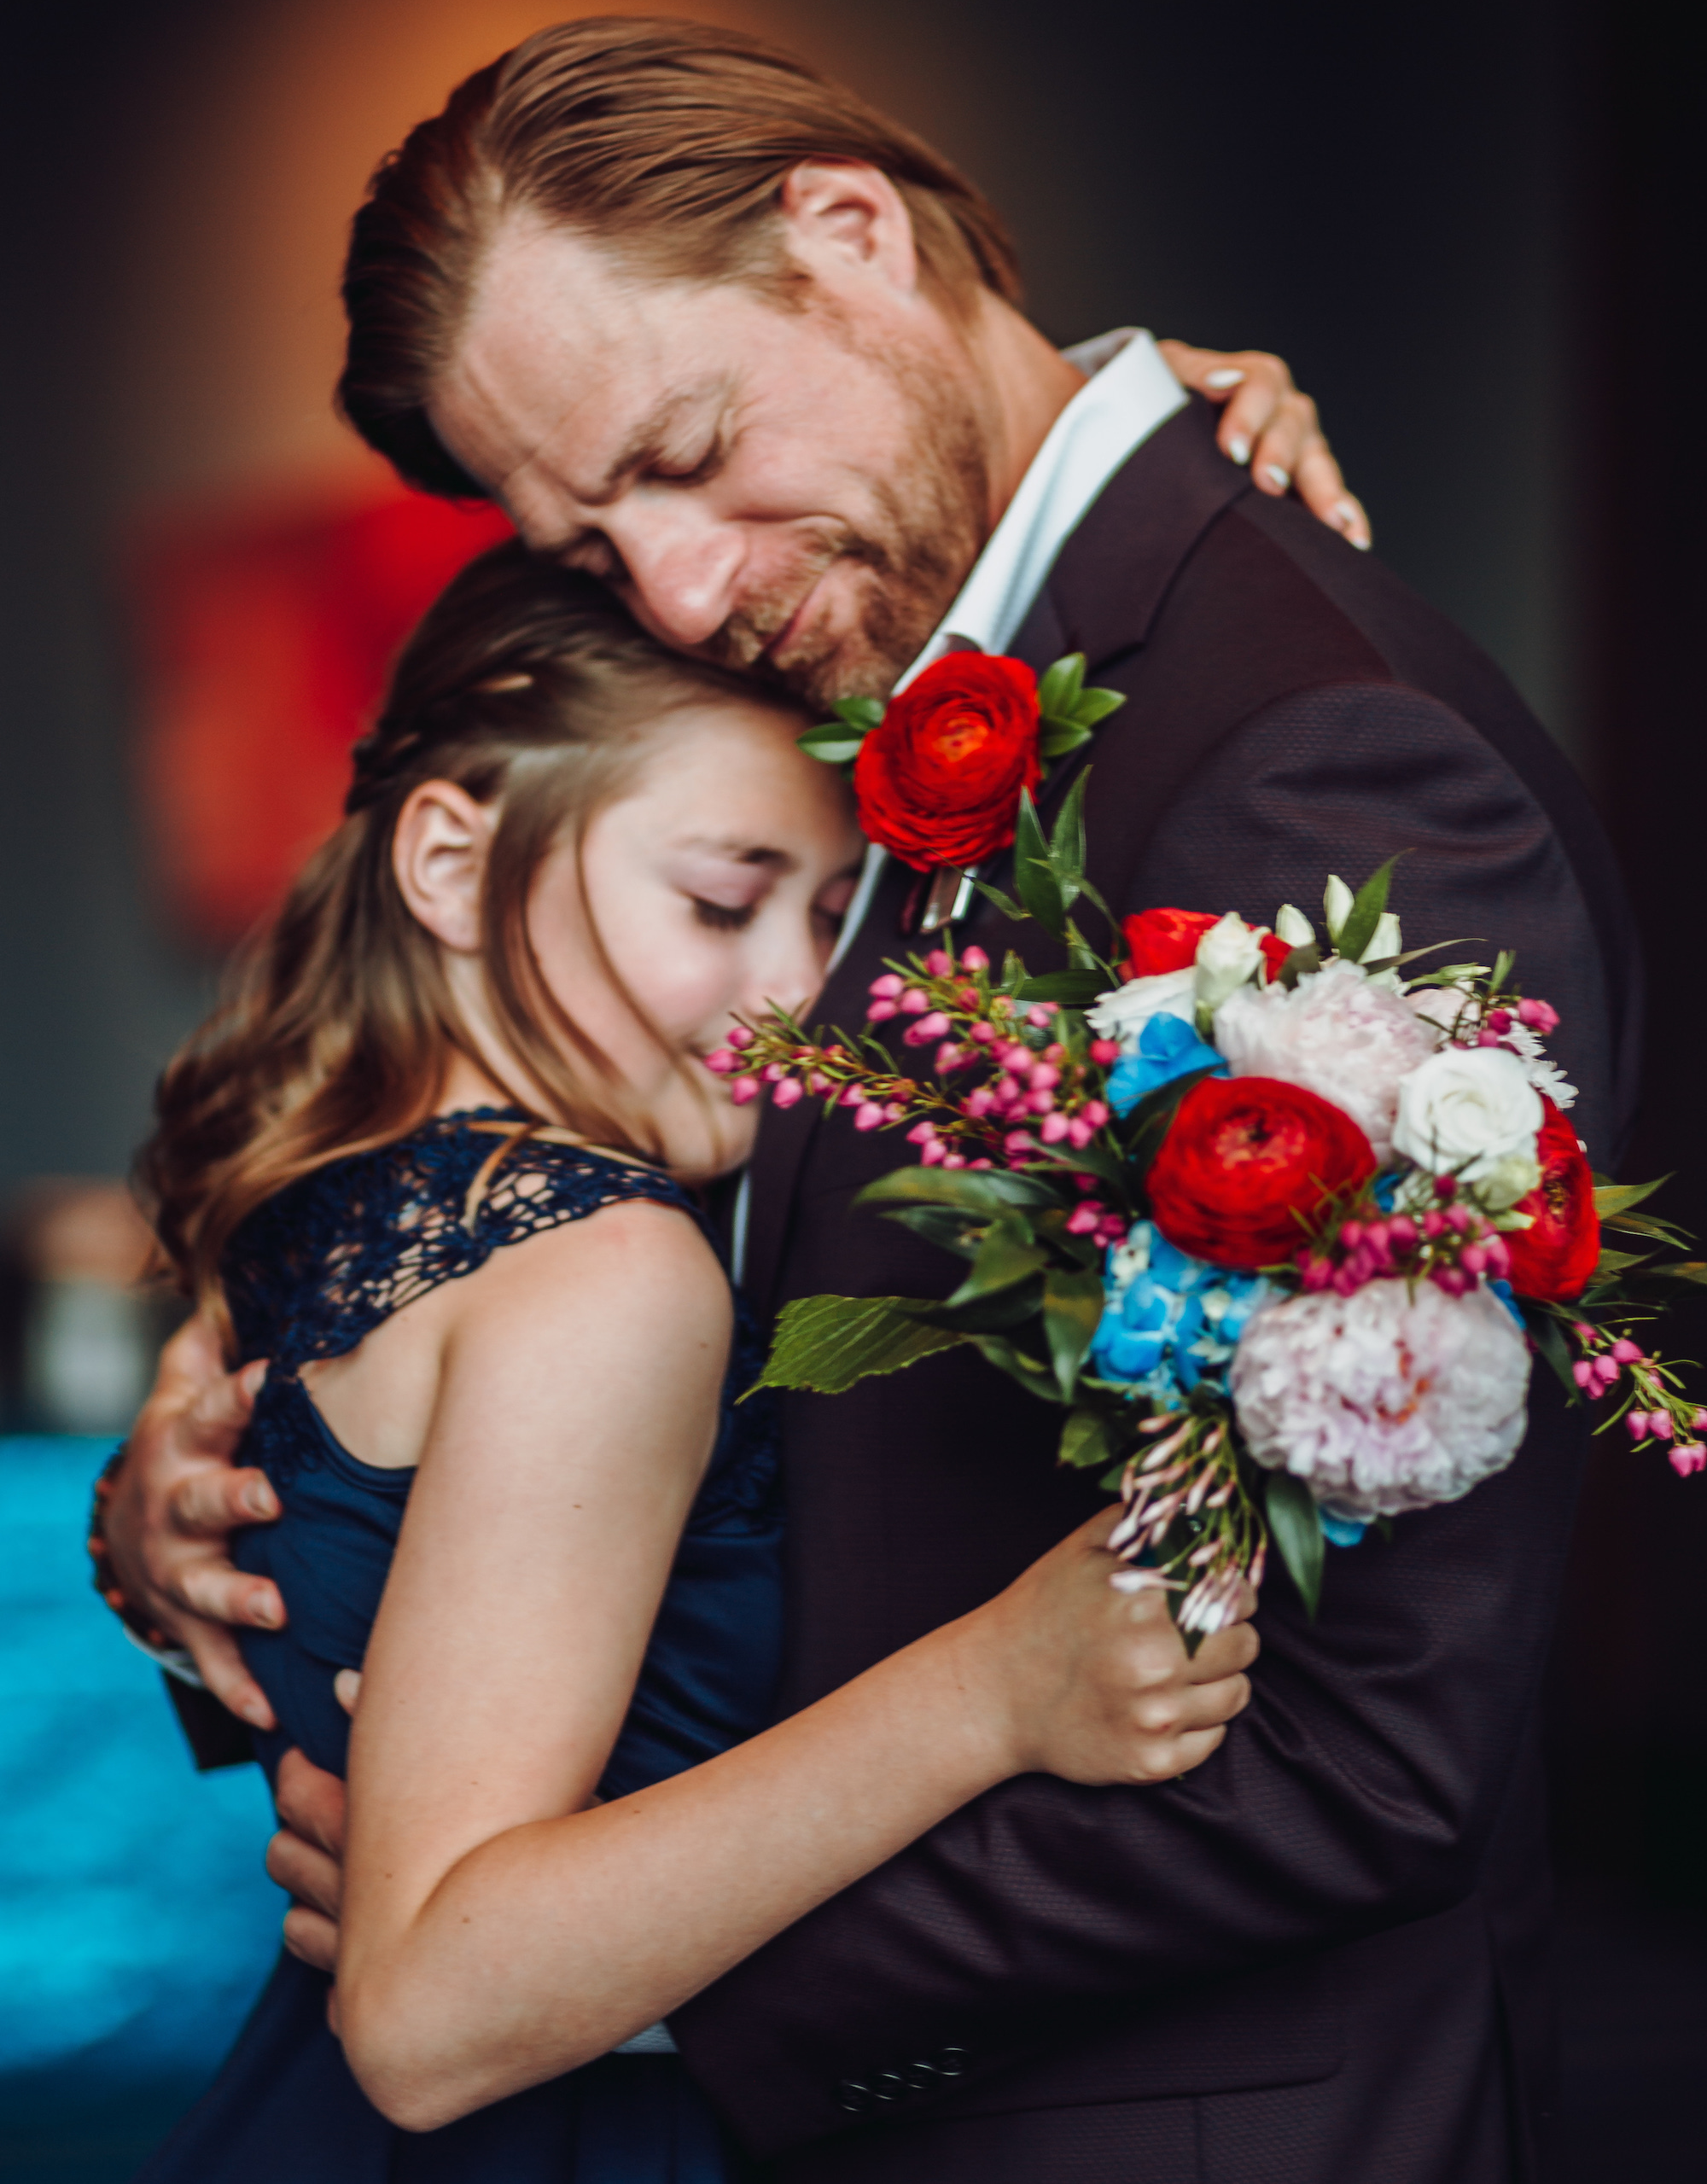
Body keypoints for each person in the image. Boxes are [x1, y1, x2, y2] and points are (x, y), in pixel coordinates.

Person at [102, 16, 1641, 2183]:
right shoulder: (852, 667)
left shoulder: (1305, 757)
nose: (681, 583)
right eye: (590, 527)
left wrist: (610, 1982)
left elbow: (1361, 1745)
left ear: (850, 233)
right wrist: (232, 1476)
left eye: (686, 447)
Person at [125, 542, 1257, 2184]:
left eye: (824, 916)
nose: (795, 997)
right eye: (720, 902)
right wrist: (996, 1688)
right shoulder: (607, 1266)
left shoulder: (327, 1194)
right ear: (448, 861)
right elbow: (429, 2015)